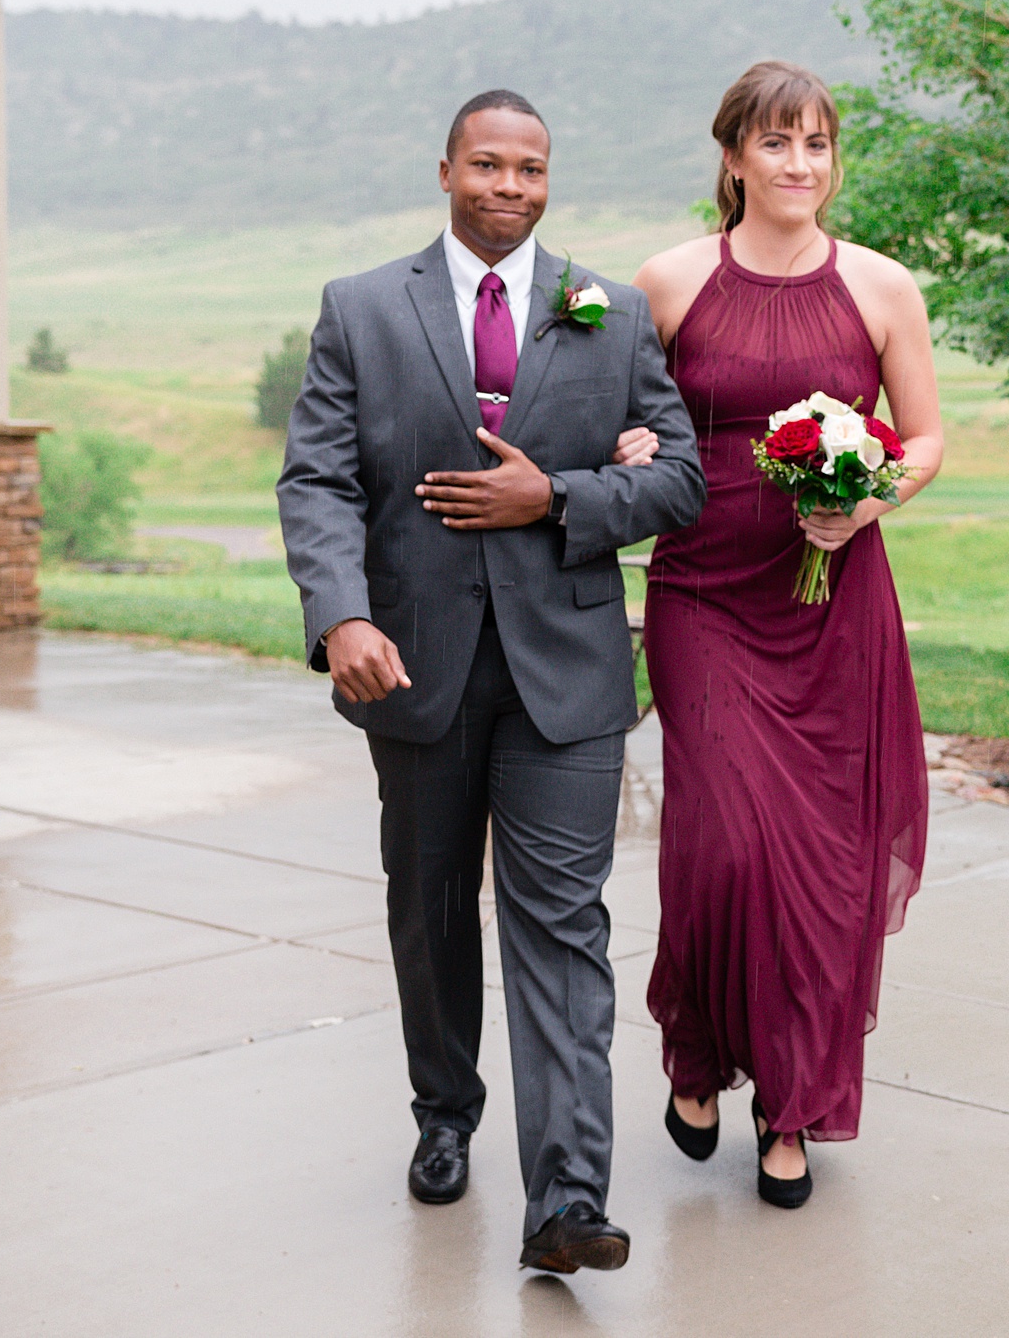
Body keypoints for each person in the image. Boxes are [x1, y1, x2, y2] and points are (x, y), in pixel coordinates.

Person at [277, 89, 706, 1273]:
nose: (508, 186)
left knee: (563, 925)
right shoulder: (361, 310)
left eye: (529, 168)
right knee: (427, 911)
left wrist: (558, 497)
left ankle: (568, 1197)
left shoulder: (610, 314)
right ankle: (443, 1112)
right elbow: (315, 481)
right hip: (410, 665)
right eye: (487, 165)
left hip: (564, 673)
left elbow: (679, 480)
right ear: (446, 170)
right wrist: (341, 615)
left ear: (548, 179)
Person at [632, 61, 942, 1208]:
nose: (798, 164)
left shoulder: (879, 287)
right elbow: (624, 419)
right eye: (775, 144)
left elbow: (922, 439)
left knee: (822, 865)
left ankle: (793, 1105)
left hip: (830, 601)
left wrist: (868, 497)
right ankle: (701, 1049)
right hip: (703, 592)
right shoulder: (666, 283)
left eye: (815, 143)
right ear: (732, 158)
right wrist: (626, 449)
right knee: (724, 842)